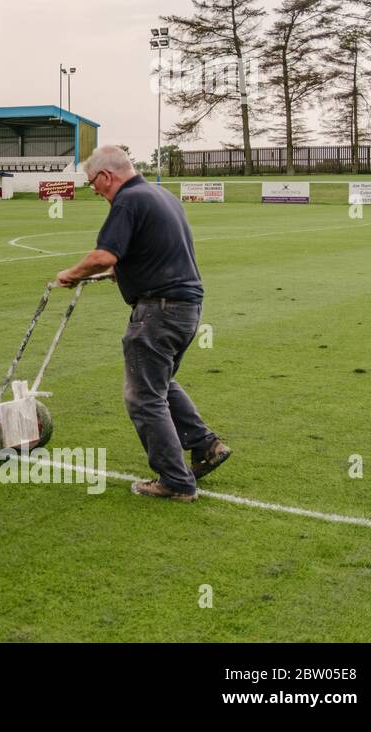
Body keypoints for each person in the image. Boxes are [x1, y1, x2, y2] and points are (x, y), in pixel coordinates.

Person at [55, 145, 231, 502]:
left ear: (107, 176)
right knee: (161, 383)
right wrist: (119, 273)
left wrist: (71, 275)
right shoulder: (161, 195)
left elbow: (105, 254)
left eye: (94, 184)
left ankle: (175, 481)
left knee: (143, 397)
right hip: (187, 307)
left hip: (159, 312)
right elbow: (145, 252)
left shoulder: (128, 200)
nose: (96, 191)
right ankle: (206, 446)